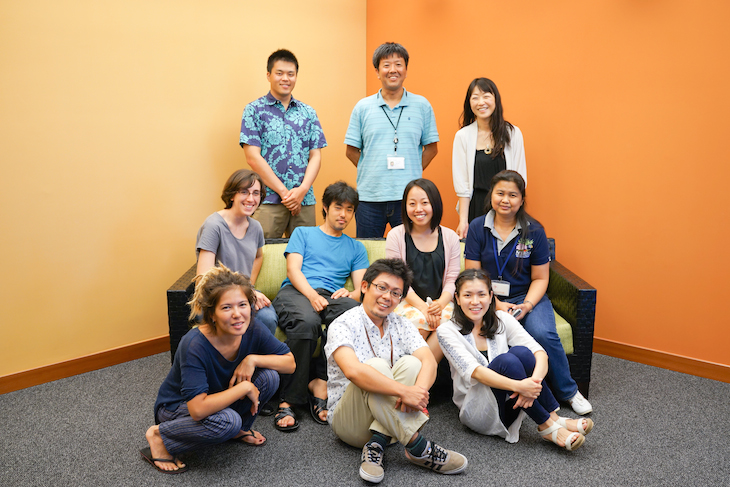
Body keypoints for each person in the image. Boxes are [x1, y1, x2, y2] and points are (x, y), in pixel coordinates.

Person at [140, 265, 295, 474]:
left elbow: (290, 363)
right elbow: (197, 409)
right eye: (226, 307)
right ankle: (160, 435)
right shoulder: (194, 344)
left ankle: (237, 429)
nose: (238, 314)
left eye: (242, 305)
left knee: (270, 377)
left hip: (218, 395)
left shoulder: (253, 328)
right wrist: (243, 388)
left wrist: (253, 359)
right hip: (179, 407)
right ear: (211, 314)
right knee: (228, 422)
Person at [325, 259, 468, 484]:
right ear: (365, 286)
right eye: (381, 288)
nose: (387, 297)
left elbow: (429, 361)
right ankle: (418, 447)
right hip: (350, 422)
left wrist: (417, 392)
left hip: (390, 417)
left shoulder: (401, 324)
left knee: (412, 363)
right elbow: (352, 371)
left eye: (395, 293)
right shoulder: (343, 324)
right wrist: (404, 392)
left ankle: (376, 444)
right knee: (375, 367)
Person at [464, 170, 593, 415]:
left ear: (522, 199)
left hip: (527, 296)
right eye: (500, 193)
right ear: (491, 195)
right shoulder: (477, 227)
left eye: (513, 195)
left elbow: (540, 277)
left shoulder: (534, 230)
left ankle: (568, 391)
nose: (505, 200)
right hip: (485, 297)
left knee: (543, 332)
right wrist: (495, 303)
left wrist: (528, 305)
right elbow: (473, 276)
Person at [438, 269, 594, 450]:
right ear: (457, 298)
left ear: (491, 296)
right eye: (467, 295)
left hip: (512, 401)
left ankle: (553, 417)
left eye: (481, 294)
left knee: (523, 353)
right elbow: (476, 372)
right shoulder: (446, 331)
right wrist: (520, 387)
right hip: (477, 411)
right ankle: (547, 426)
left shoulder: (502, 319)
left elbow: (540, 353)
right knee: (507, 361)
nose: (475, 301)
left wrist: (532, 386)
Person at [271, 181, 369, 431]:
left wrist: (351, 293)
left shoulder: (356, 247)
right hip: (297, 291)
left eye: (349, 209)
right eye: (338, 207)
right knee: (307, 322)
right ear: (325, 207)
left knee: (352, 314)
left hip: (331, 297)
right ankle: (289, 399)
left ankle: (320, 383)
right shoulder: (303, 233)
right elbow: (293, 271)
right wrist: (312, 295)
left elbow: (362, 289)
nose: (343, 214)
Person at [345, 42, 439, 238]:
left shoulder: (422, 105)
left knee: (411, 250)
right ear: (377, 72)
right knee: (368, 250)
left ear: (406, 70)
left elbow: (431, 148)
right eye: (386, 65)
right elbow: (351, 151)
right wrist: (372, 169)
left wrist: (412, 170)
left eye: (398, 64)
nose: (393, 70)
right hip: (370, 198)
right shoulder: (362, 107)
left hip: (409, 198)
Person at [240, 49, 327, 238]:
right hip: (268, 200)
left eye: (290, 74)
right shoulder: (254, 110)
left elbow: (316, 156)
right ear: (268, 75)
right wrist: (285, 194)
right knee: (262, 252)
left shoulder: (308, 113)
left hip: (303, 200)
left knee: (306, 252)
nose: (285, 78)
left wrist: (302, 190)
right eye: (279, 73)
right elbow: (252, 157)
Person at [385, 178, 460, 363]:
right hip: (406, 301)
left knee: (447, 326)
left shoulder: (450, 237)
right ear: (405, 207)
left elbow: (452, 279)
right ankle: (419, 372)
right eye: (412, 204)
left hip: (442, 303)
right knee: (420, 321)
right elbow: (398, 280)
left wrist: (439, 304)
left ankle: (415, 374)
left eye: (424, 203)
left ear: (434, 204)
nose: (418, 209)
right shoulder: (396, 235)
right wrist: (423, 308)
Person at [196, 169, 278, 334]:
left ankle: (254, 352)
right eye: (244, 192)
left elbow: (258, 257)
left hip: (242, 293)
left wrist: (249, 287)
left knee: (268, 318)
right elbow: (203, 278)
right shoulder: (214, 225)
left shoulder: (256, 227)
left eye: (256, 193)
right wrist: (242, 292)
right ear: (232, 195)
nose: (251, 199)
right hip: (215, 296)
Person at [452, 78, 527, 239]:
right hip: (476, 207)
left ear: (495, 99)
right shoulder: (462, 136)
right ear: (469, 103)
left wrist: (516, 213)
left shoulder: (513, 133)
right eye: (475, 97)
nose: (481, 102)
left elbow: (520, 180)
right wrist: (463, 221)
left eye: (486, 96)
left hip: (506, 206)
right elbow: (462, 185)